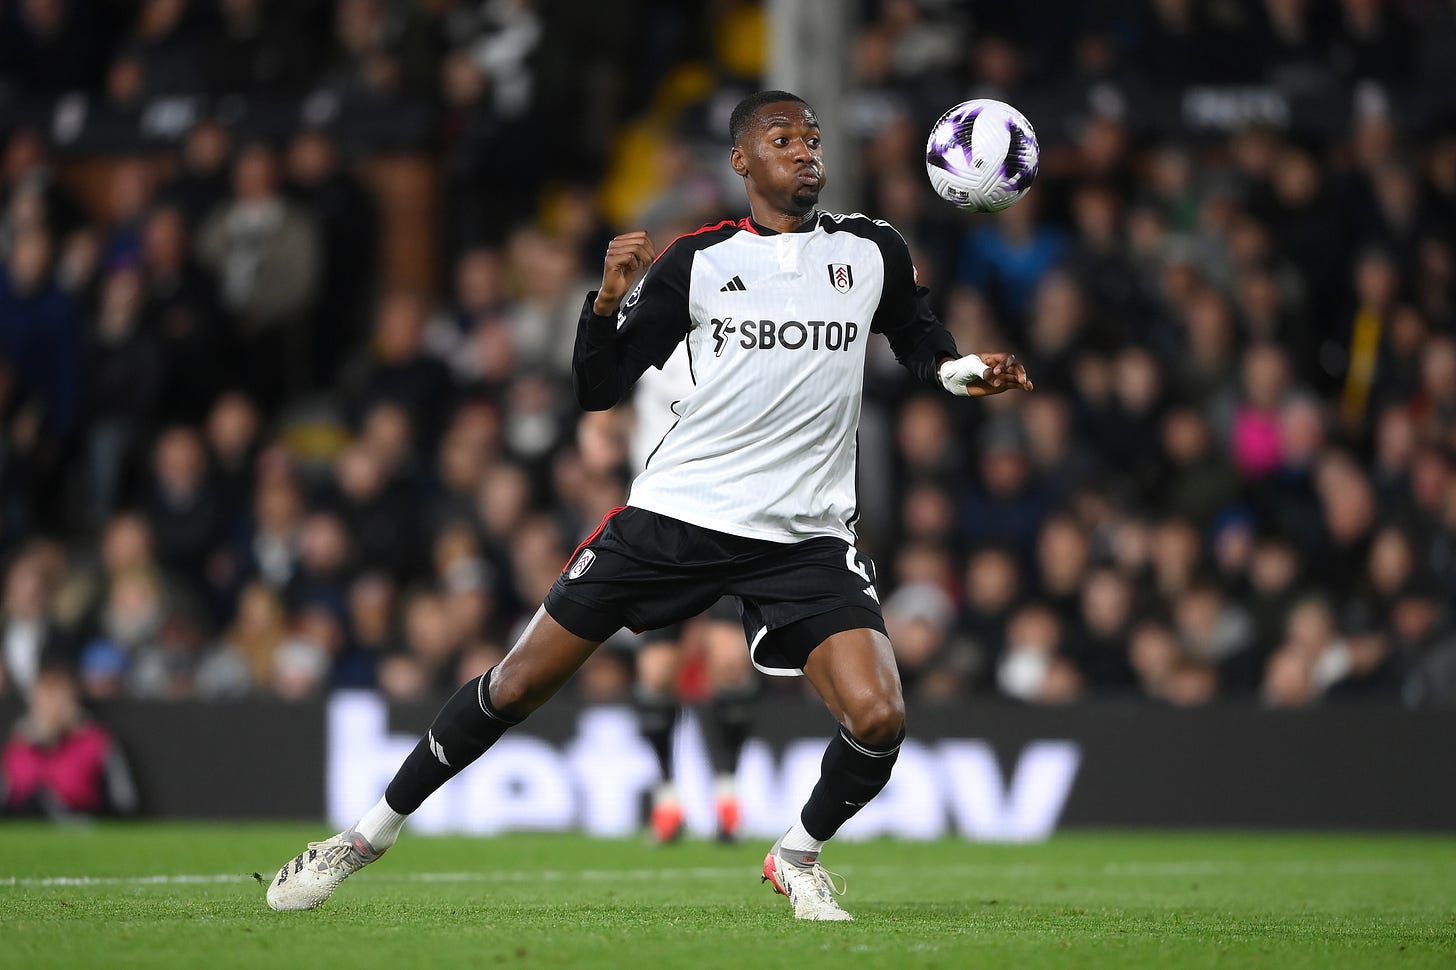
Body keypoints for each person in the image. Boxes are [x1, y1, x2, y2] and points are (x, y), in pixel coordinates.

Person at [265, 90, 1032, 921]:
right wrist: (602, 305)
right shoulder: (696, 262)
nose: (807, 153)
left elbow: (919, 339)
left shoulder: (870, 250)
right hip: (678, 516)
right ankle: (361, 838)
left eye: (812, 140)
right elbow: (599, 387)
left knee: (880, 719)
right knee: (517, 685)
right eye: (784, 140)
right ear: (742, 162)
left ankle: (796, 854)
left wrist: (962, 372)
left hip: (804, 535)